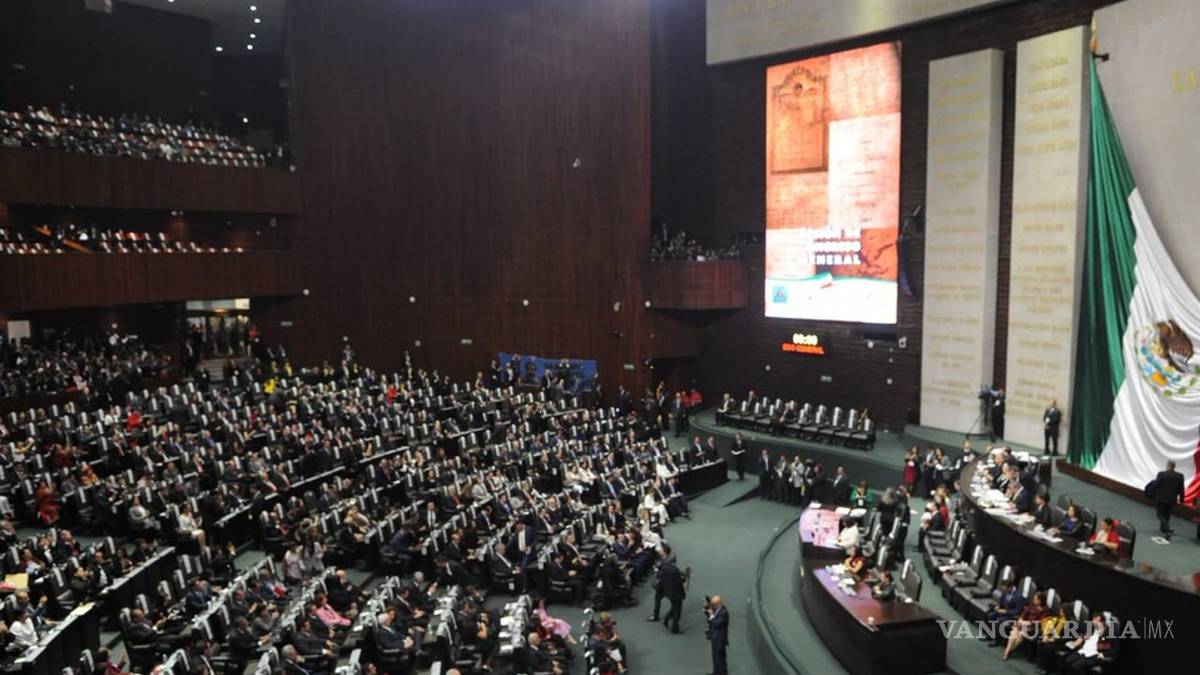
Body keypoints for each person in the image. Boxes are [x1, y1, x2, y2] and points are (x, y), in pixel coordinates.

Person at [648, 544, 686, 633]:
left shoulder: (663, 565)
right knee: (676, 608)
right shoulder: (672, 568)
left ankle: (665, 619)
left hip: (665, 585)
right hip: (671, 588)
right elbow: (678, 580)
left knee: (674, 607)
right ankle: (672, 625)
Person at [1002, 591, 1047, 659]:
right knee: (1014, 631)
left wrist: (1029, 623)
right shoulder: (1032, 605)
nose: (1033, 600)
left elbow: (1042, 621)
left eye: (1035, 599)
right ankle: (1007, 651)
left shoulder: (1045, 609)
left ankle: (1010, 650)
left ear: (1040, 601)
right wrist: (1021, 619)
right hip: (1024, 624)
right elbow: (1024, 613)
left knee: (1020, 634)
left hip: (1033, 627)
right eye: (1034, 599)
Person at [1150, 459, 1185, 536]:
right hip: (1172, 499)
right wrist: (1182, 499)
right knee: (1167, 513)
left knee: (1159, 514)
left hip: (1161, 497)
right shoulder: (1180, 476)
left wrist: (1151, 493)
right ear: (1174, 466)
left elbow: (1156, 485)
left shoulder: (1161, 474)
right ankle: (1164, 529)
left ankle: (1167, 527)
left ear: (1168, 465)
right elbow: (1181, 489)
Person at [704, 595, 729, 675]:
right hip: (715, 638)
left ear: (718, 604)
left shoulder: (723, 613)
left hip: (720, 640)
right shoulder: (717, 610)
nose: (712, 606)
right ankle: (716, 672)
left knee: (720, 659)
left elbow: (716, 624)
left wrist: (711, 615)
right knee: (715, 658)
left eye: (713, 604)